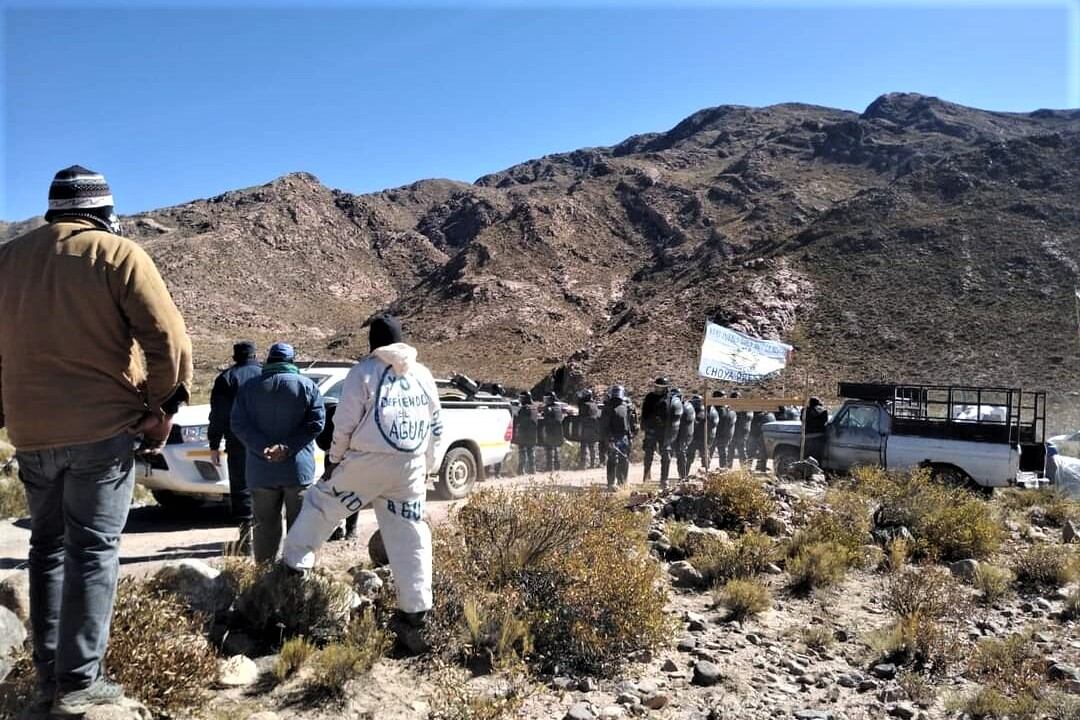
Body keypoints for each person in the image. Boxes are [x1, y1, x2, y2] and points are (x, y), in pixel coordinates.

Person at [0, 165, 192, 718]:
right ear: (104, 211)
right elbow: (168, 340)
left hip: (31, 432)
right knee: (91, 551)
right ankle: (80, 682)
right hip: (101, 431)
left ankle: (48, 679)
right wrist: (161, 407)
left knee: (47, 548)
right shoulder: (117, 253)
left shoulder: (8, 260)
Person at [283, 315, 442, 653]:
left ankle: (295, 568)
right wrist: (428, 464)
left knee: (321, 506)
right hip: (410, 464)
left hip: (367, 460)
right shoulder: (422, 374)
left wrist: (335, 459)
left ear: (373, 343)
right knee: (409, 533)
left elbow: (344, 423)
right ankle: (416, 610)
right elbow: (436, 424)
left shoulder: (363, 372)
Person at [230, 342, 325, 564]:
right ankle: (297, 574)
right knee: (300, 528)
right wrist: (287, 447)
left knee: (264, 528)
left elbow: (238, 424)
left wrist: (262, 447)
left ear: (269, 360)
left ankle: (265, 574)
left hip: (261, 470)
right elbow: (316, 423)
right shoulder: (307, 386)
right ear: (291, 361)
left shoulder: (249, 388)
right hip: (297, 470)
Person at [208, 341, 263, 553]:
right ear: (255, 355)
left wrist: (214, 444)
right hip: (266, 439)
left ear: (235, 357)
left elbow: (218, 416)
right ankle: (267, 538)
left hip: (238, 441)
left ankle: (246, 542)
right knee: (267, 487)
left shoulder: (226, 378)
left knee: (242, 489)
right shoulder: (266, 374)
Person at [600, 385, 636, 489]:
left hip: (624, 437)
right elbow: (604, 425)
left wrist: (630, 436)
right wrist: (609, 438)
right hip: (613, 436)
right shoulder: (608, 407)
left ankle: (622, 482)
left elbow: (630, 423)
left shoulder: (627, 406)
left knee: (624, 459)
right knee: (613, 459)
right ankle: (611, 483)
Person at [640, 378, 669, 483]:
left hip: (664, 431)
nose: (658, 389)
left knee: (665, 454)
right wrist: (643, 425)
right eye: (657, 387)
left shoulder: (668, 398)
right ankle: (646, 476)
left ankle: (664, 479)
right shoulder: (650, 397)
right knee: (648, 453)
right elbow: (644, 412)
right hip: (651, 429)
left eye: (660, 387)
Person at [686, 395, 719, 473]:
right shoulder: (691, 411)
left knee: (704, 457)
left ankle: (705, 472)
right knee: (689, 458)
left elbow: (712, 425)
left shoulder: (707, 411)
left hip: (703, 438)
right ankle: (685, 474)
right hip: (694, 438)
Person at [512, 392, 539, 475]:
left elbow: (519, 420)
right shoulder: (534, 407)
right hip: (532, 433)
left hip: (524, 432)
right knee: (531, 451)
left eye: (522, 398)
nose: (520, 399)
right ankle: (532, 470)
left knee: (522, 452)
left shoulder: (524, 408)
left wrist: (515, 413)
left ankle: (521, 470)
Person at [577, 390, 602, 470]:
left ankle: (583, 465)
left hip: (585, 429)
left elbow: (580, 418)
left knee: (584, 447)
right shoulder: (594, 405)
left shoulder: (584, 405)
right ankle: (593, 464)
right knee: (593, 447)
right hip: (594, 429)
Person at [540, 393, 565, 472]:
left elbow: (545, 419)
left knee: (549, 449)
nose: (545, 400)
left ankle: (549, 467)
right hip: (558, 431)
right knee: (555, 449)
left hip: (550, 430)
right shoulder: (558, 407)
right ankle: (557, 466)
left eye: (547, 399)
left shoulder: (548, 408)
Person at [712, 391, 737, 468]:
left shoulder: (724, 409)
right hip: (717, 435)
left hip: (720, 435)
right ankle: (723, 469)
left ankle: (723, 469)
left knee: (721, 454)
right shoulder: (725, 410)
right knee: (720, 454)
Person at [675, 391, 696, 480]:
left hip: (683, 434)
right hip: (685, 434)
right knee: (682, 455)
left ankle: (683, 476)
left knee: (681, 455)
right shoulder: (689, 406)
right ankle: (683, 475)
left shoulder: (684, 407)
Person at [803, 396, 829, 463]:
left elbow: (802, 419)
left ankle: (807, 469)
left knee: (807, 457)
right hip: (819, 436)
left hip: (808, 437)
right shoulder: (823, 410)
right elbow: (825, 421)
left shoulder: (805, 410)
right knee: (817, 457)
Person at [730, 391, 751, 468]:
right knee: (731, 450)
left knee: (741, 450)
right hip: (733, 432)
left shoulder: (744, 408)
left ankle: (744, 468)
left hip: (741, 431)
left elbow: (747, 418)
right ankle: (728, 467)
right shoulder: (732, 407)